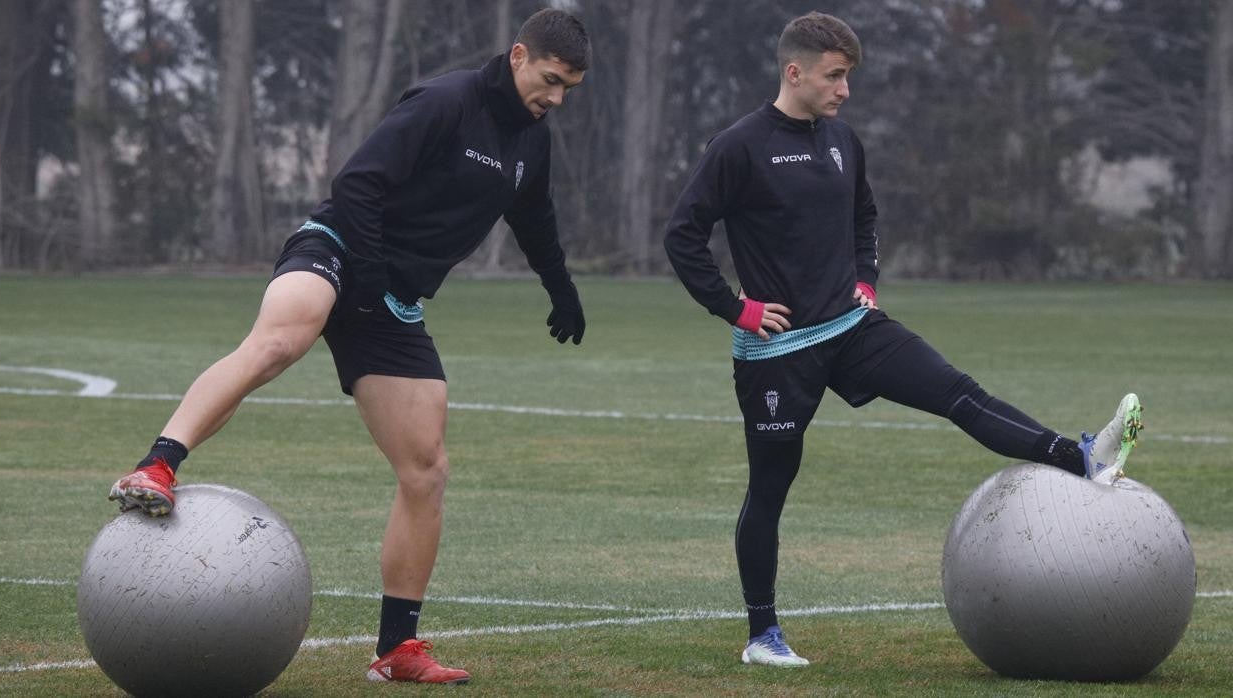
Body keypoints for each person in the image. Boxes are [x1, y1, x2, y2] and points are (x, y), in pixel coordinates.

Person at [107, 8, 591, 685]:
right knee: (282, 339)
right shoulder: (445, 101)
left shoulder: (531, 140)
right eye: (550, 79)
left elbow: (534, 219)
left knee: (426, 468)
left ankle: (397, 651)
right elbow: (357, 184)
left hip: (391, 300)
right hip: (338, 250)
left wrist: (561, 288)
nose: (557, 99)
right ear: (517, 57)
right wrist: (362, 274)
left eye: (569, 87)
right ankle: (156, 467)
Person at [662, 12, 1143, 668]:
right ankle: (762, 635)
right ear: (794, 72)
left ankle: (1080, 454)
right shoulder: (739, 146)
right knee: (771, 486)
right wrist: (736, 309)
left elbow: (865, 215)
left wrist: (867, 282)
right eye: (834, 77)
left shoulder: (843, 142)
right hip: (778, 352)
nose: (845, 90)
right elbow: (681, 235)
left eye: (849, 77)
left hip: (853, 328)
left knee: (957, 392)